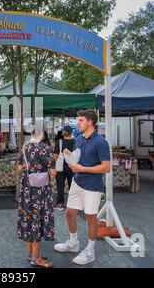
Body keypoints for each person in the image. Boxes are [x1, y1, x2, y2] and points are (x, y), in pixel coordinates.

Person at [54, 109, 110, 266]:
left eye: (80, 120)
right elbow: (77, 158)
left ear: (90, 122)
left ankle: (90, 251)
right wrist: (68, 155)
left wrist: (83, 169)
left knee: (91, 218)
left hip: (92, 186)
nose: (77, 123)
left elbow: (106, 167)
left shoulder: (101, 142)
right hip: (77, 182)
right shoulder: (78, 139)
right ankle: (73, 243)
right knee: (69, 212)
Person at [17, 131, 56, 268]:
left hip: (26, 187)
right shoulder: (44, 148)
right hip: (39, 189)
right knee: (37, 219)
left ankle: (31, 253)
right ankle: (35, 258)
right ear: (43, 134)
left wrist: (30, 167)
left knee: (29, 218)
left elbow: (20, 167)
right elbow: (53, 171)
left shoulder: (25, 146)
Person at [53, 126, 75, 210]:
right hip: (72, 167)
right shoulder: (75, 142)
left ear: (63, 133)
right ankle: (72, 204)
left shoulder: (59, 142)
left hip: (60, 167)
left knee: (60, 186)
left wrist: (56, 161)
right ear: (71, 133)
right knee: (72, 186)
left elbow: (55, 155)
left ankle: (60, 204)